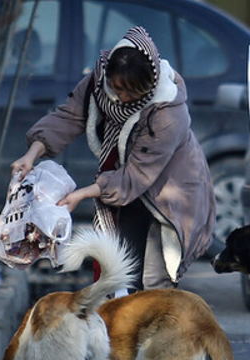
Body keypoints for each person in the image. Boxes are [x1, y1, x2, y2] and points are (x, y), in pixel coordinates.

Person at [11, 26, 215, 290]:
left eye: (134, 92)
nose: (123, 97)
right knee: (120, 270)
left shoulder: (168, 113)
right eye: (118, 88)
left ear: (151, 84)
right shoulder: (98, 82)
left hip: (169, 192)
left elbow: (136, 175)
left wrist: (82, 194)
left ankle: (151, 328)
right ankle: (119, 325)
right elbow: (68, 116)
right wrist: (32, 154)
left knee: (154, 281)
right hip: (122, 184)